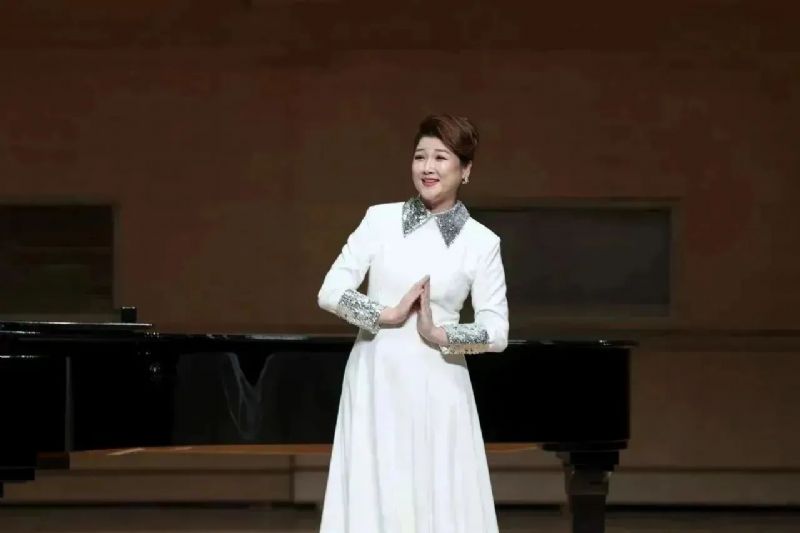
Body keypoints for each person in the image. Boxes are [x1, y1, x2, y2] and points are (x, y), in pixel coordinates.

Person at [317, 114, 509, 533]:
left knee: (436, 491)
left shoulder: (482, 242)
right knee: (376, 488)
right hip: (376, 374)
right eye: (420, 156)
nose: (428, 167)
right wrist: (383, 314)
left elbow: (496, 332)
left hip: (439, 380)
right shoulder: (379, 220)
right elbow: (330, 290)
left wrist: (440, 334)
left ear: (466, 170)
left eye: (441, 157)